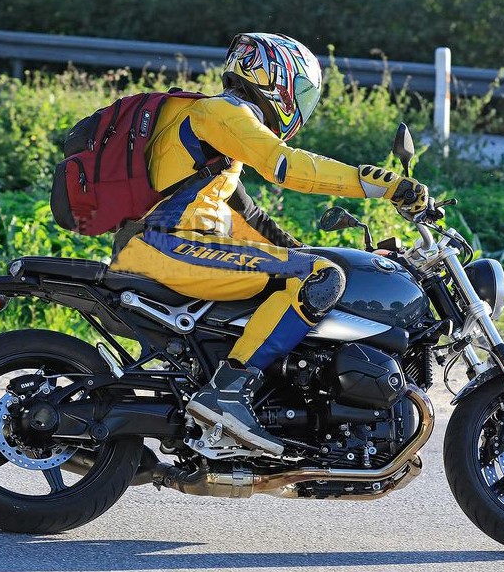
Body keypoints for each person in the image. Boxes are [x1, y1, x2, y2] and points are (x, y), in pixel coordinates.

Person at [110, 33, 428, 455]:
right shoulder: (221, 112)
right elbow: (286, 166)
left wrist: (308, 255)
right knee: (319, 276)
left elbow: (250, 219)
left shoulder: (217, 138)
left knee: (313, 272)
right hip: (166, 246)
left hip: (169, 246)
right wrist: (376, 184)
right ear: (275, 79)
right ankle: (227, 392)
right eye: (301, 90)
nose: (301, 103)